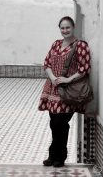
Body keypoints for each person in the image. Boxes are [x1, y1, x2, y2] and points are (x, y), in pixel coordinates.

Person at [38, 16, 91, 167]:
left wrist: (67, 80)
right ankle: (53, 155)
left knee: (61, 123)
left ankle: (60, 156)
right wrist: (53, 77)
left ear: (73, 27)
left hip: (68, 91)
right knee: (54, 123)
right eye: (62, 28)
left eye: (67, 27)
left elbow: (85, 69)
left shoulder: (80, 46)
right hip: (53, 89)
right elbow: (47, 63)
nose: (65, 30)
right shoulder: (56, 44)